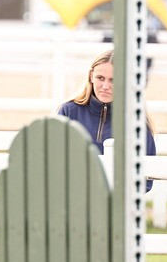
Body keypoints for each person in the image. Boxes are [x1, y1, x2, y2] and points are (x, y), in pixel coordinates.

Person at [57, 49, 157, 191]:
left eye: (113, 80)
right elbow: (55, 163)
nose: (105, 86)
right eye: (100, 78)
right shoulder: (68, 112)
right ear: (91, 76)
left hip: (117, 205)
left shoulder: (135, 121)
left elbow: (145, 180)